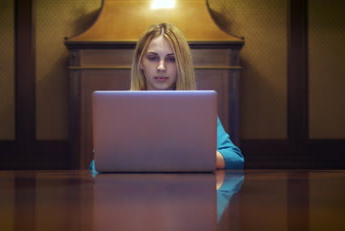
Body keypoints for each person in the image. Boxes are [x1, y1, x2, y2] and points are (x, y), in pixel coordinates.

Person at [90, 23, 244, 172]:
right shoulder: (120, 110)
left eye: (171, 59)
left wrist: (187, 158)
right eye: (153, 58)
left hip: (187, 193)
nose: (161, 67)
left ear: (181, 64)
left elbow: (235, 158)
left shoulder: (198, 108)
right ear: (140, 62)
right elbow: (97, 164)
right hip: (133, 194)